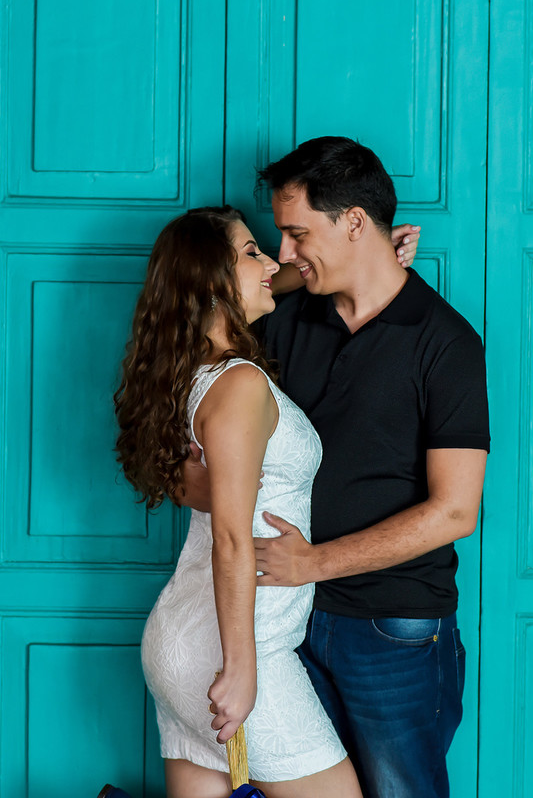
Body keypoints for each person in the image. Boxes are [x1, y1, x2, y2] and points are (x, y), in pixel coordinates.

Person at [181, 137, 489, 798]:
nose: (282, 252)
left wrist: (312, 563)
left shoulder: (447, 343)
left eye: (296, 234)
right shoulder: (281, 323)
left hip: (393, 627)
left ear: (353, 222)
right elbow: (201, 334)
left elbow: (456, 511)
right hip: (283, 623)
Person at [113, 206, 420, 798]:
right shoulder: (239, 384)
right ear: (211, 283)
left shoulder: (192, 374)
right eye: (252, 252)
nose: (273, 263)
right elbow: (232, 539)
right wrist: (242, 668)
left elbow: (202, 494)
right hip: (237, 649)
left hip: (182, 641)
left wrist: (363, 255)